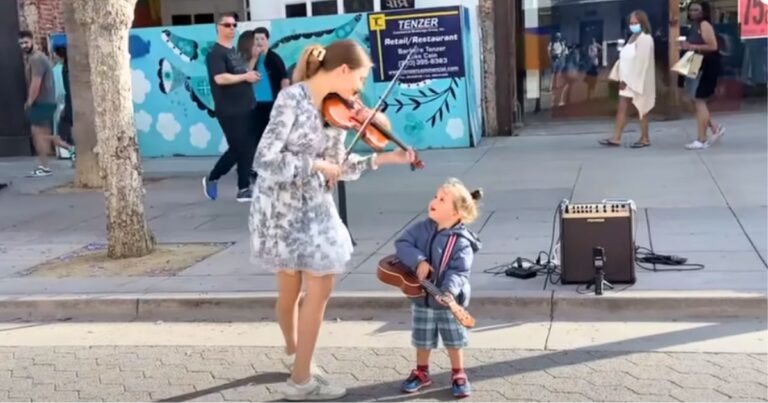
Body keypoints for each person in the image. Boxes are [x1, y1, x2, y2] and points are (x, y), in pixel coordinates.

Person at [249, 39, 417, 401]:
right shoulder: (291, 99)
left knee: (321, 285)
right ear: (342, 71)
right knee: (289, 292)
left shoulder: (337, 114)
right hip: (279, 209)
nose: (359, 94)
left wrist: (385, 159)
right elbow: (263, 161)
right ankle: (297, 362)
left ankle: (299, 371)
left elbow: (338, 170)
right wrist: (313, 164)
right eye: (358, 82)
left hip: (315, 206)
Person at [394, 178, 482, 399]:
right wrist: (419, 260)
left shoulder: (461, 242)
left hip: (448, 301)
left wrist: (449, 292)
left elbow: (460, 272)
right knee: (422, 338)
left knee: (454, 338)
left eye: (442, 199)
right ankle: (422, 372)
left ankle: (458, 373)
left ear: (455, 214)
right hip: (421, 297)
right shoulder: (421, 228)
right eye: (436, 196)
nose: (434, 200)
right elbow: (402, 243)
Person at [202, 13, 259, 202]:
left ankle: (244, 187)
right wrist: (245, 77)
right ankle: (214, 177)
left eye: (234, 24)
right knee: (238, 148)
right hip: (230, 111)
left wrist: (250, 72)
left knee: (248, 146)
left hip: (247, 108)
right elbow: (220, 78)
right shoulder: (215, 54)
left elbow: (240, 74)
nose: (232, 28)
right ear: (218, 27)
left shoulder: (232, 52)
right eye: (227, 25)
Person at [236, 27, 290, 184]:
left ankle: (273, 165)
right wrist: (253, 58)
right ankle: (255, 167)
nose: (259, 42)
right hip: (254, 104)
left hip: (271, 104)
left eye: (262, 39)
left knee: (272, 135)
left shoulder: (274, 58)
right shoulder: (251, 59)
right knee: (254, 136)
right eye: (256, 39)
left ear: (267, 40)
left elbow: (284, 79)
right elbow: (245, 75)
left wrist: (284, 100)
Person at [19, 31, 75, 177]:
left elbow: (36, 83)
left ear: (32, 41)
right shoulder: (36, 58)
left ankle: (45, 166)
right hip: (46, 102)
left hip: (42, 102)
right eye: (21, 43)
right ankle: (69, 149)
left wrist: (29, 101)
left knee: (38, 135)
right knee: (41, 134)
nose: (24, 46)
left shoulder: (36, 59)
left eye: (26, 42)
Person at [599, 10, 656, 148]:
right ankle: (616, 138)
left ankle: (645, 138)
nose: (633, 25)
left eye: (635, 23)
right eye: (631, 23)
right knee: (622, 109)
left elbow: (642, 63)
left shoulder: (645, 39)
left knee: (641, 109)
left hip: (638, 81)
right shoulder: (632, 38)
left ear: (642, 23)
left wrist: (628, 81)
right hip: (626, 80)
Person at [680, 1, 725, 150]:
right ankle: (714, 127)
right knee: (695, 100)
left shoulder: (704, 25)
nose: (693, 13)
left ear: (703, 11)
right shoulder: (694, 26)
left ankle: (702, 138)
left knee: (699, 100)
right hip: (696, 63)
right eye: (691, 10)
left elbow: (712, 46)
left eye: (696, 10)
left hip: (707, 65)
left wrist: (691, 46)